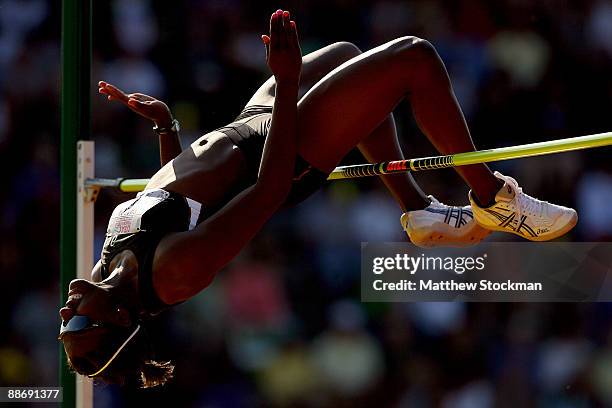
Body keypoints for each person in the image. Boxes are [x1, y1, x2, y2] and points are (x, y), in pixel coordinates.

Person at [59, 10, 577, 387]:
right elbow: (269, 190)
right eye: (78, 324)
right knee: (414, 58)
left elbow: (174, 198)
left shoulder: (110, 265)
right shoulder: (173, 273)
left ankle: (418, 208)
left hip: (245, 127)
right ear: (120, 321)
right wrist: (285, 84)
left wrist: (167, 128)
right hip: (283, 152)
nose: (67, 312)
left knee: (348, 55)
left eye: (64, 324)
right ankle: (493, 198)